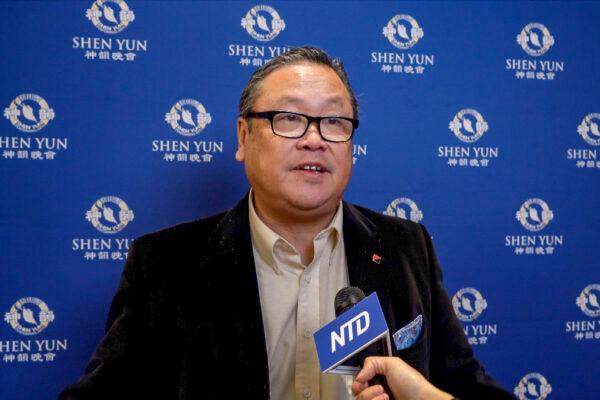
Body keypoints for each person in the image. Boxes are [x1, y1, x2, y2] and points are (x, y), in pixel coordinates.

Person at [59, 47, 514, 399]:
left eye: (334, 121)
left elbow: (463, 382)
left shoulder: (405, 245)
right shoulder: (165, 263)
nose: (314, 139)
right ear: (243, 136)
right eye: (291, 119)